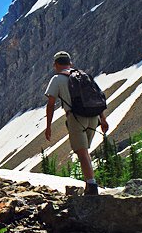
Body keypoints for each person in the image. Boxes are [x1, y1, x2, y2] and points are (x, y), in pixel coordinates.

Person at [44, 51, 109, 195]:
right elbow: (97, 97)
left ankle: (91, 186)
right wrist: (103, 119)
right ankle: (90, 182)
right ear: (70, 63)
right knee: (85, 151)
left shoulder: (57, 79)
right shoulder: (83, 76)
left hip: (75, 117)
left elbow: (51, 104)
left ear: (56, 64)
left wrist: (48, 126)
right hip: (93, 117)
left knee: (82, 152)